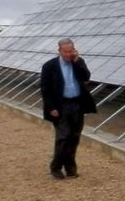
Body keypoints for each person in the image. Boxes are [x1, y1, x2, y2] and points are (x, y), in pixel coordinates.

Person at [39, 39, 97, 180]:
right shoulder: (49, 66)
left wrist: (76, 61)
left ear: (74, 50)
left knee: (74, 137)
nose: (68, 54)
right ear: (59, 51)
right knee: (63, 137)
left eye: (70, 51)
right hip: (60, 106)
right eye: (65, 51)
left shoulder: (78, 62)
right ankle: (56, 167)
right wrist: (51, 107)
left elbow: (86, 77)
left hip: (77, 104)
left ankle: (70, 168)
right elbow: (45, 89)